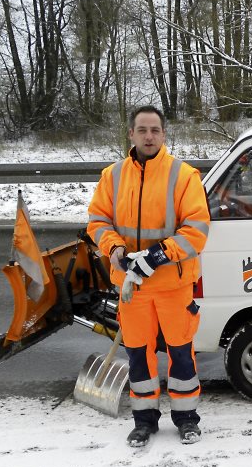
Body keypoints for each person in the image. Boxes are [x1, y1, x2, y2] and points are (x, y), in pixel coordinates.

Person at [88, 105, 210, 446]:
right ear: (131, 134)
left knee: (181, 354)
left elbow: (197, 229)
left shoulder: (184, 176)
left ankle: (186, 419)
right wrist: (115, 250)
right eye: (142, 130)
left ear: (164, 134)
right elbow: (98, 222)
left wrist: (158, 255)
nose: (149, 136)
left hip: (173, 285)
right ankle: (144, 421)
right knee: (139, 355)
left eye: (155, 130)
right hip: (132, 289)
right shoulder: (112, 176)